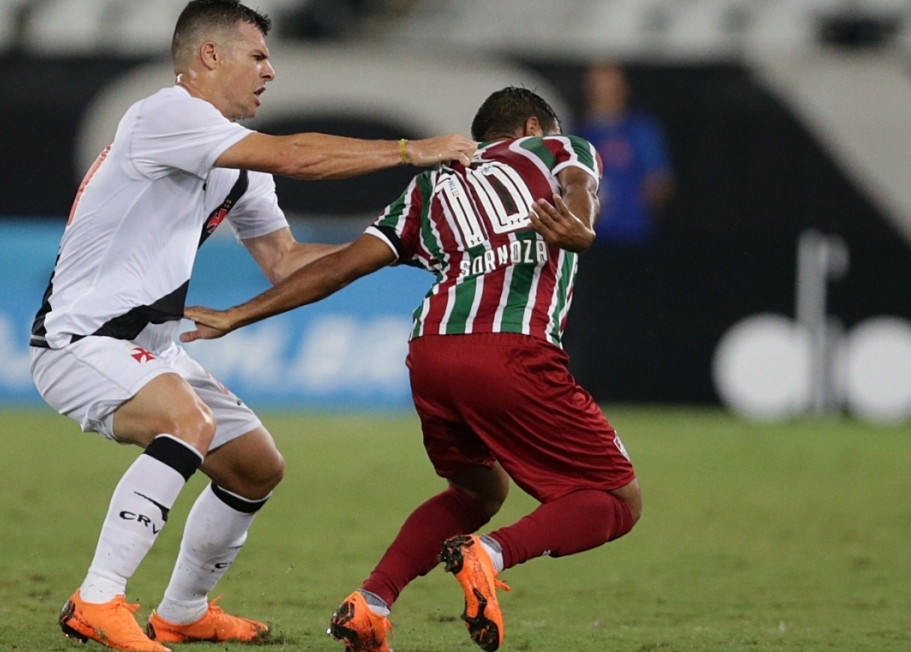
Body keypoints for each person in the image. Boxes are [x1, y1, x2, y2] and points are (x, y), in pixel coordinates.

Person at [29, 0, 474, 652]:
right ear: (210, 56)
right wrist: (410, 150)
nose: (270, 72)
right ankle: (97, 598)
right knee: (187, 421)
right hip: (81, 339)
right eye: (258, 56)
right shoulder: (167, 113)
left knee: (254, 465)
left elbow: (286, 259)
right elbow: (298, 156)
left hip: (149, 344)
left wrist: (407, 252)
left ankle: (182, 611)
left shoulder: (233, 164)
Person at [182, 87, 643, 652]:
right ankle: (490, 554)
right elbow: (581, 186)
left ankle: (371, 602)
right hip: (510, 350)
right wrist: (582, 226)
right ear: (531, 126)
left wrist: (236, 315)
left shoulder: (431, 185)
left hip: (429, 351)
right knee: (615, 500)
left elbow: (340, 267)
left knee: (476, 491)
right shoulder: (557, 147)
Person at [580, 61, 673, 246]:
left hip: (632, 238)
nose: (604, 88)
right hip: (588, 240)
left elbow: (660, 182)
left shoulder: (639, 129)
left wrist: (634, 207)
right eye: (598, 81)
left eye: (610, 81)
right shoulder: (578, 132)